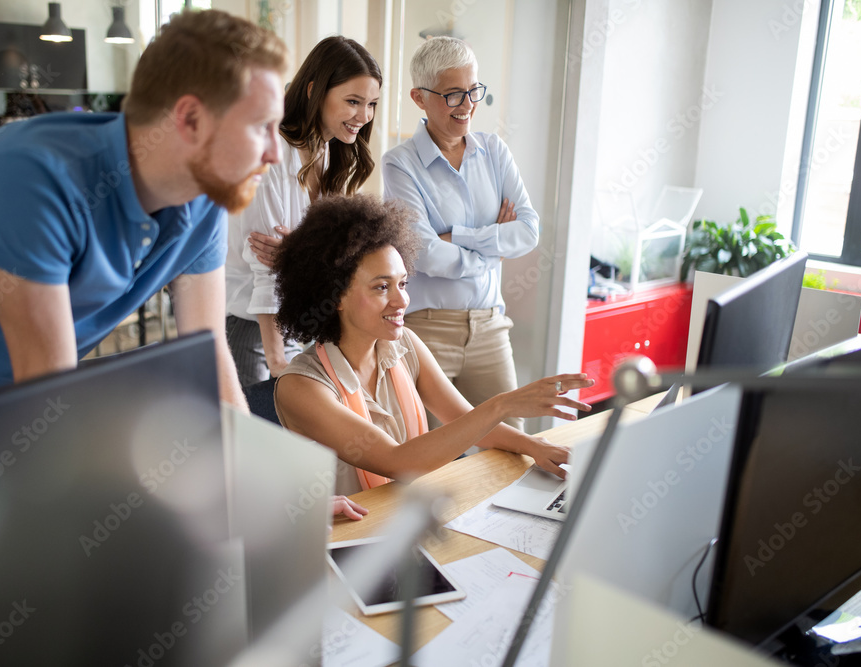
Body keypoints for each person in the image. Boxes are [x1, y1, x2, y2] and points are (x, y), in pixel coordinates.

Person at [0, 10, 286, 416]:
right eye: (261, 127)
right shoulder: (30, 180)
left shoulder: (204, 199)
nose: (275, 153)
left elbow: (209, 358)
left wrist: (243, 463)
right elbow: (46, 398)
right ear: (189, 119)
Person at [272, 195, 593, 496]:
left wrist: (532, 445)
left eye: (403, 283)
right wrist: (502, 405)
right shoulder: (301, 386)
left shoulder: (405, 345)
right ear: (335, 296)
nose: (402, 301)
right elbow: (397, 461)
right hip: (347, 543)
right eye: (382, 287)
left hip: (406, 520)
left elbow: (461, 418)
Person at [382, 36, 538, 431]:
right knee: (432, 460)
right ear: (419, 97)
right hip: (428, 330)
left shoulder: (495, 151)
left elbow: (528, 231)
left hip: (490, 327)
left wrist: (460, 237)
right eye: (453, 95)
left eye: (473, 91)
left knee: (511, 447)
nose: (468, 105)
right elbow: (425, 254)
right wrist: (493, 245)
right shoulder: (400, 164)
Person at [225, 36, 382, 387]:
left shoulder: (327, 152)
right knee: (251, 437)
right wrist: (277, 359)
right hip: (253, 327)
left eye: (371, 104)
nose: (364, 116)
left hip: (295, 323)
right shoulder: (272, 153)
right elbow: (264, 265)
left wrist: (296, 255)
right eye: (353, 101)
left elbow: (334, 253)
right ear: (314, 91)